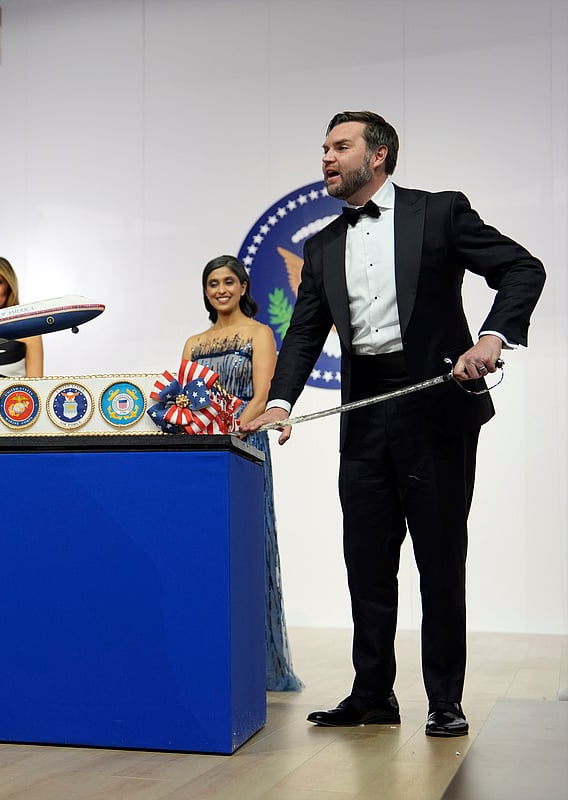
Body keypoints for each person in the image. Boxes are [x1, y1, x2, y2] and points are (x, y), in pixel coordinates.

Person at [242, 111, 545, 738]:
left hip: (437, 399)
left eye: (339, 146)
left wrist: (492, 336)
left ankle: (444, 699)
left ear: (377, 156)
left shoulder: (438, 212)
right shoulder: (323, 244)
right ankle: (373, 694)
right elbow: (304, 334)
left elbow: (523, 267)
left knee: (439, 557)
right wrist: (280, 401)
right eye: (323, 148)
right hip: (366, 409)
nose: (325, 157)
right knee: (367, 560)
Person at [182, 255, 302, 692]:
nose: (221, 289)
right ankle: (207, 653)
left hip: (244, 445)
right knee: (205, 548)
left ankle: (255, 660)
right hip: (201, 451)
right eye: (213, 282)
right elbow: (183, 398)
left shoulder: (259, 333)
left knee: (248, 549)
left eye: (229, 281)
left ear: (245, 286)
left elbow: (263, 393)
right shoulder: (193, 342)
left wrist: (228, 430)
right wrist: (203, 433)